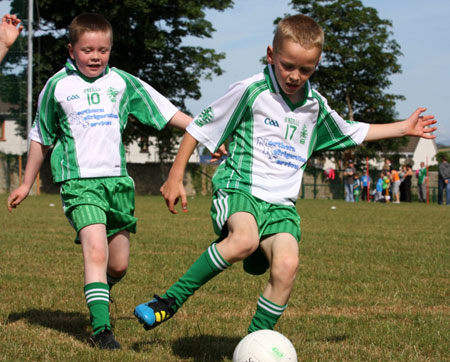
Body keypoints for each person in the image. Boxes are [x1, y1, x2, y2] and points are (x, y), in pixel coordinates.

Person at [133, 14, 437, 336]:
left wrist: (403, 128)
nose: (295, 75)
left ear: (317, 65)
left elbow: (352, 131)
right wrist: (176, 175)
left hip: (282, 206)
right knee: (244, 240)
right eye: (287, 65)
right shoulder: (251, 91)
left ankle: (254, 344)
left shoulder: (314, 107)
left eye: (305, 69)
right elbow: (200, 127)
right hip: (241, 189)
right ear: (271, 55)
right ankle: (169, 302)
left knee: (287, 266)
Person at [6, 13, 193, 350]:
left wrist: (202, 131)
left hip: (118, 184)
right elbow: (40, 137)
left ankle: (100, 295)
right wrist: (25, 183)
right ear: (72, 49)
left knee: (118, 265)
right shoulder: (57, 87)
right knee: (95, 249)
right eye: (87, 49)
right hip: (78, 183)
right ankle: (102, 330)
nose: (95, 56)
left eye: (103, 50)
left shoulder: (122, 82)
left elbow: (164, 111)